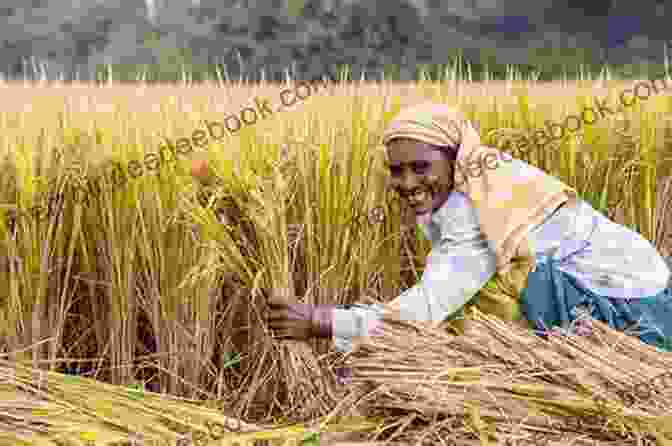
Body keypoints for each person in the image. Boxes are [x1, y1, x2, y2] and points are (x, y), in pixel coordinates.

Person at [200, 103, 672, 356]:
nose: (407, 184)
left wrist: (321, 322)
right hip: (638, 291)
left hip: (637, 319)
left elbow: (426, 309)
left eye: (420, 167)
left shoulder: (477, 212)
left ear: (454, 160)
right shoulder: (485, 179)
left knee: (487, 294)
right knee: (470, 297)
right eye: (396, 170)